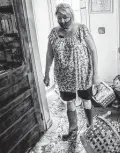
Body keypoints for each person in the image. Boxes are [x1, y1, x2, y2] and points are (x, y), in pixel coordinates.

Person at [43, 3, 99, 140]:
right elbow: (49, 55)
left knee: (86, 100)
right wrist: (46, 73)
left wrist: (96, 74)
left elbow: (93, 50)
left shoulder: (81, 29)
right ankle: (73, 129)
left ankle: (90, 127)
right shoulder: (54, 33)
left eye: (65, 17)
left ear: (71, 16)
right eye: (59, 18)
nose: (62, 21)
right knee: (69, 101)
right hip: (64, 76)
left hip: (83, 73)